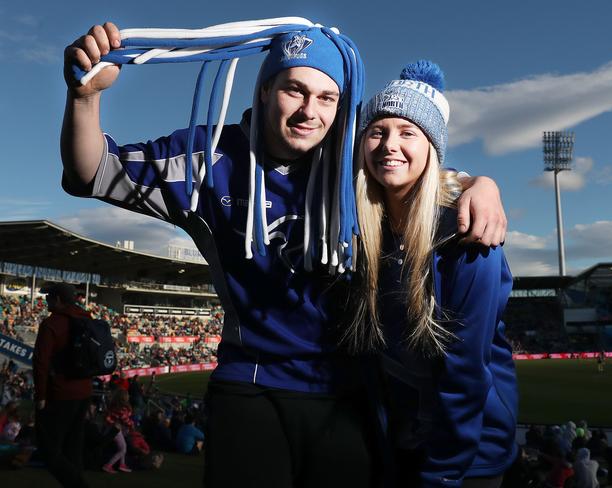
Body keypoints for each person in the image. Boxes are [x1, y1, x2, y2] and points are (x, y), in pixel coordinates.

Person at [62, 21, 507, 488]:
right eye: (295, 90)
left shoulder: (349, 157)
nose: (308, 112)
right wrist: (84, 98)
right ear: (266, 87)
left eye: (327, 98)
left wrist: (480, 185)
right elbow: (90, 172)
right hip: (251, 384)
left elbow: (415, 166)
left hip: (347, 392)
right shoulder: (207, 155)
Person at [350, 60, 518, 487]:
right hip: (399, 446)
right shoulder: (364, 231)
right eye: (378, 131)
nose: (390, 144)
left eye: (408, 133)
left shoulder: (467, 238)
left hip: (465, 459)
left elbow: (466, 376)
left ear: (432, 150)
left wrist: (442, 476)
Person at [33, 282, 92, 488]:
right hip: (84, 392)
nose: (46, 299)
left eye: (48, 296)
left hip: (60, 394)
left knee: (49, 450)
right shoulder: (86, 318)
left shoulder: (51, 324)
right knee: (73, 449)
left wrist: (41, 397)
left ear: (58, 299)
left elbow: (41, 363)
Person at [103, 388, 134, 473]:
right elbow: (125, 419)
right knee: (123, 448)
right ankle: (108, 465)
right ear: (124, 397)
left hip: (112, 428)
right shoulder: (122, 408)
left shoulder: (114, 405)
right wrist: (131, 424)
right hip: (115, 429)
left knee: (122, 446)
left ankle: (122, 464)